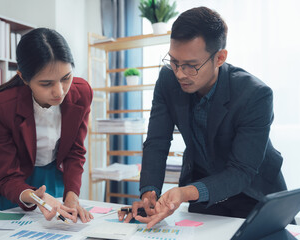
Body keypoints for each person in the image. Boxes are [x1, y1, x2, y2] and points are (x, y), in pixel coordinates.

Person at [118, 7, 287, 228]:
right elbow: (157, 142)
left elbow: (241, 171)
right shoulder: (168, 80)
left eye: (191, 66)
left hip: (253, 194)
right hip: (204, 192)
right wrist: (149, 192)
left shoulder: (255, 95)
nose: (179, 73)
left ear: (219, 58)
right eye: (174, 61)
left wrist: (185, 192)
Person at [0, 28, 93, 223]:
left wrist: (72, 196)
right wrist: (35, 197)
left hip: (51, 180)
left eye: (66, 78)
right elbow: (6, 176)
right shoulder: (1, 106)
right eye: (46, 84)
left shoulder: (82, 93)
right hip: (9, 186)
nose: (59, 92)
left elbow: (75, 151)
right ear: (24, 78)